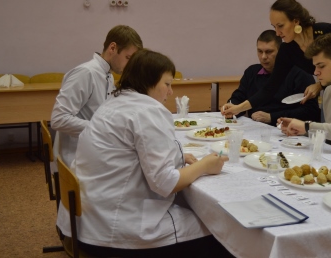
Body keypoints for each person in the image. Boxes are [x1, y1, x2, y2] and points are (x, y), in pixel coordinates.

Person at [57, 49, 232, 257]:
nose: (170, 92)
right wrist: (204, 165)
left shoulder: (113, 103)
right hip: (117, 232)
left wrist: (178, 155)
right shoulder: (148, 111)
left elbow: (129, 151)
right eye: (166, 84)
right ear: (148, 82)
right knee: (222, 229)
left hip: (86, 222)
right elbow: (165, 183)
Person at [222, 0, 331, 117]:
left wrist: (319, 86)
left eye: (281, 26)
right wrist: (238, 108)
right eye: (274, 27)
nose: (277, 33)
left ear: (296, 21)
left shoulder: (325, 31)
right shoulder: (287, 50)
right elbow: (270, 88)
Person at [51, 25, 143, 167]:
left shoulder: (108, 75)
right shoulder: (86, 73)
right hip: (77, 159)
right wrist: (102, 128)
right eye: (128, 57)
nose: (130, 65)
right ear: (112, 48)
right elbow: (58, 119)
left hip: (95, 150)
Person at [226, 30, 320, 125]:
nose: (263, 57)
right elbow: (239, 97)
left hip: (288, 131)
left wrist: (272, 117)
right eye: (260, 51)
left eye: (269, 52)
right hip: (256, 129)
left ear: (281, 52)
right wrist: (232, 106)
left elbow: (311, 111)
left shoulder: (300, 73)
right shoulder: (251, 72)